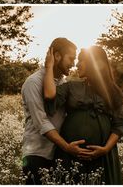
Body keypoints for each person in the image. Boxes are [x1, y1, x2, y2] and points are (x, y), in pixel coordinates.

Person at [44, 45, 123, 185]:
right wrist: (49, 66)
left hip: (103, 156)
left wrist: (105, 149)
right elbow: (49, 95)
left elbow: (119, 125)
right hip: (70, 153)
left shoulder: (114, 92)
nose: (76, 65)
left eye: (81, 60)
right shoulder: (71, 86)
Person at [21, 37, 87, 184]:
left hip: (58, 154)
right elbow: (41, 122)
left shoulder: (63, 83)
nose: (73, 63)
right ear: (57, 56)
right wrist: (67, 147)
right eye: (71, 58)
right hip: (37, 154)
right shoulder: (33, 83)